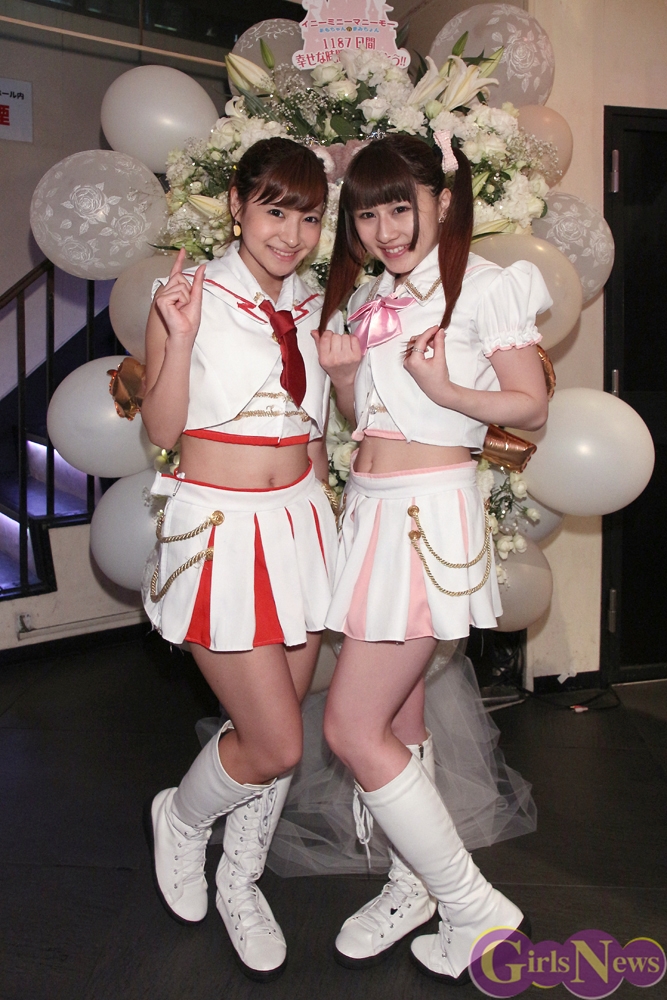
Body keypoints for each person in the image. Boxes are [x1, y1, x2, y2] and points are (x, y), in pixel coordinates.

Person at [312, 132, 551, 983]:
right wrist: (346, 378)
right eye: (365, 214)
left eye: (398, 207)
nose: (383, 229)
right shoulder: (372, 296)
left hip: (425, 515)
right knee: (399, 717)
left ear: (441, 201)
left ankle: (471, 905)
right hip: (371, 509)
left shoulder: (482, 285)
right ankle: (414, 886)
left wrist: (447, 389)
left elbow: (530, 404)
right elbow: (365, 421)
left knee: (349, 727)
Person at [140, 137, 341, 982]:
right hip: (219, 527)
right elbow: (161, 430)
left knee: (277, 724)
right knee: (275, 742)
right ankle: (183, 819)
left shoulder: (318, 305)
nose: (290, 234)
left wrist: (328, 522)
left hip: (299, 524)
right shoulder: (185, 296)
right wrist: (180, 334)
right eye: (274, 210)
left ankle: (240, 878)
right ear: (235, 204)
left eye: (308, 216)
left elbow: (315, 433)